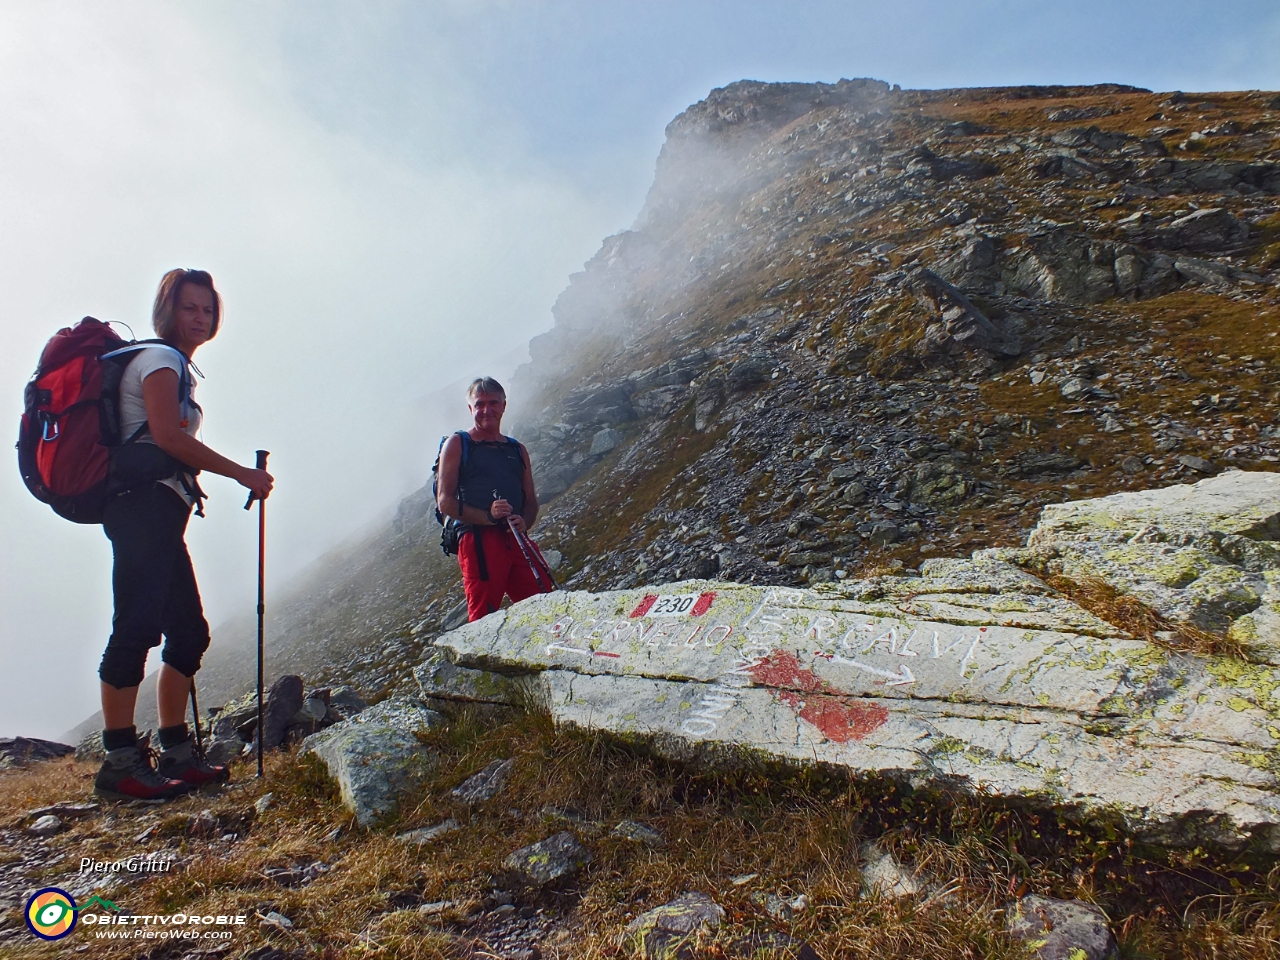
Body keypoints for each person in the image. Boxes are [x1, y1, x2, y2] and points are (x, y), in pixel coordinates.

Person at [94, 269, 273, 801]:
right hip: (141, 507)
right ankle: (119, 763)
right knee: (137, 627)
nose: (200, 318)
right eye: (190, 308)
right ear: (168, 310)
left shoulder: (174, 365)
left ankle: (174, 751)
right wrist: (241, 472)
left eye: (208, 310)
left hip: (160, 510)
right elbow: (169, 437)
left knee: (188, 632)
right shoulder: (158, 361)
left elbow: (168, 438)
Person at [436, 378, 542, 621]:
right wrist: (488, 516)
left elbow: (531, 502)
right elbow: (445, 501)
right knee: (484, 617)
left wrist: (524, 521)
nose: (487, 410)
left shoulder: (517, 449)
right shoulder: (457, 444)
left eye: (493, 403)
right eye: (480, 404)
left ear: (504, 406)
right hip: (478, 544)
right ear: (470, 409)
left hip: (516, 538)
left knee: (544, 601)